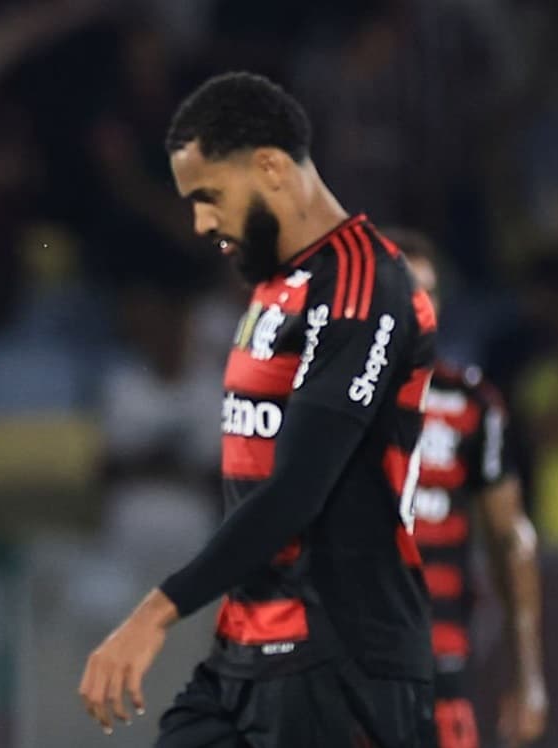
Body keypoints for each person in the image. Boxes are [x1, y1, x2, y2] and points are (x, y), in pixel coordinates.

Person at [78, 71, 439, 747]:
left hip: (345, 654)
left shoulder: (363, 286)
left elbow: (299, 489)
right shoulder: (272, 291)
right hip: (251, 648)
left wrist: (155, 613)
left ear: (271, 167)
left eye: (210, 196)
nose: (200, 221)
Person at [393, 228, 548, 748]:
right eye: (403, 290)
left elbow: (511, 538)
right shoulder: (331, 404)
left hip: (441, 660)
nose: (420, 306)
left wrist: (528, 676)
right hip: (347, 664)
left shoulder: (470, 403)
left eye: (430, 292)